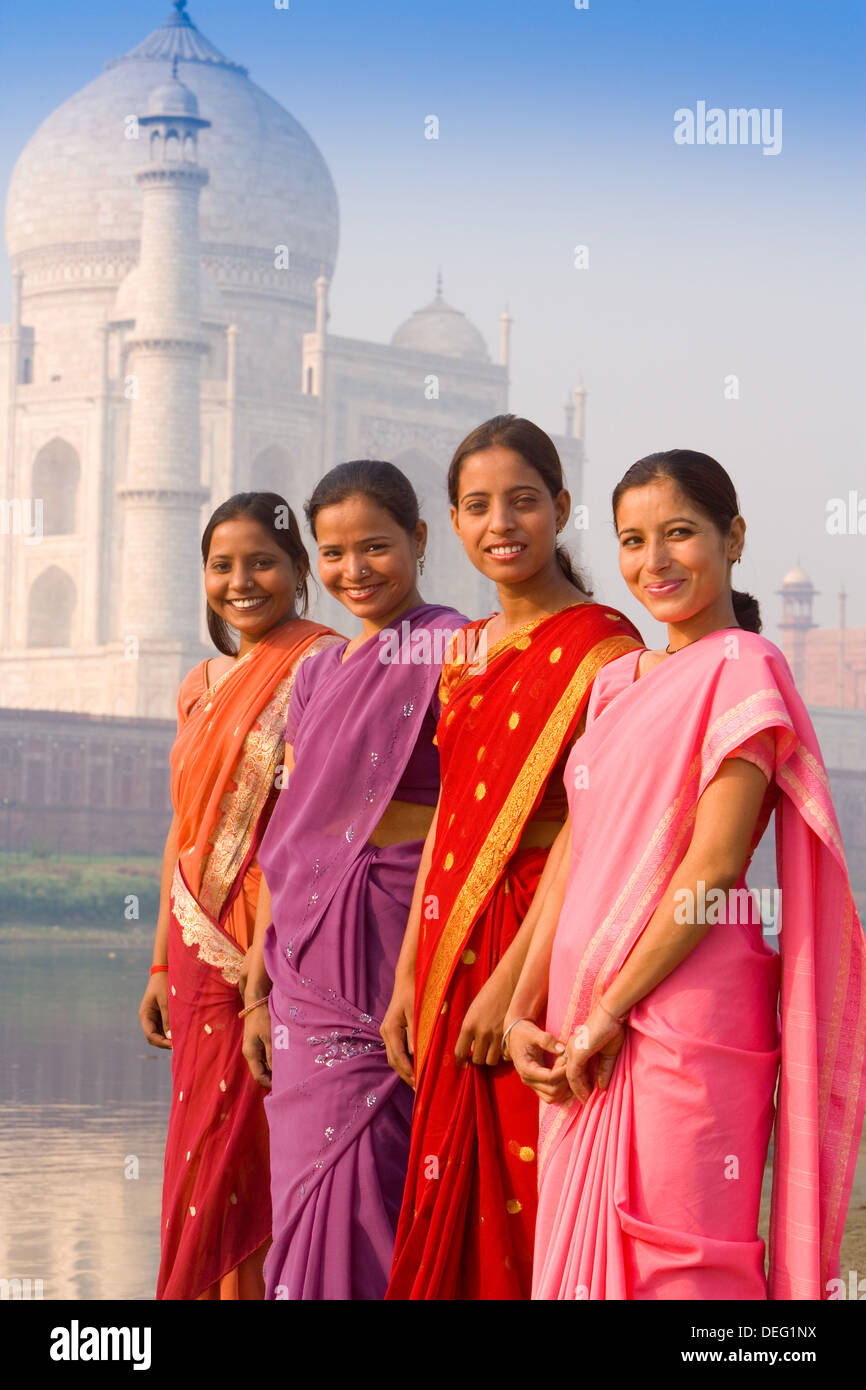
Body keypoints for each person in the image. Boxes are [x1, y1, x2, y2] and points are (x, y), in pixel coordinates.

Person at [505, 449, 866, 1300]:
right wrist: (527, 1009)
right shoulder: (614, 685)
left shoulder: (743, 669)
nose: (654, 562)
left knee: (684, 1261)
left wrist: (607, 1015)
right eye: (632, 541)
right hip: (577, 1018)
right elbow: (578, 858)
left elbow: (713, 868)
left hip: (683, 1017)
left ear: (732, 537)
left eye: (679, 534)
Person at [383, 416, 642, 1299]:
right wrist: (410, 974)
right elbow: (453, 815)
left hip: (541, 939)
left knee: (527, 1188)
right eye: (478, 505)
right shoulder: (462, 652)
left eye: (523, 501)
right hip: (449, 941)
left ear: (561, 509)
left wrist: (511, 988)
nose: (502, 523)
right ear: (452, 523)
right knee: (446, 1188)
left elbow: (591, 828)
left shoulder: (608, 650)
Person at [243, 460, 467, 1300]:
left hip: (394, 934)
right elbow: (290, 833)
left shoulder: (456, 647)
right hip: (302, 958)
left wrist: (417, 963)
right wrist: (256, 991)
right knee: (304, 1181)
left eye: (375, 547)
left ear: (418, 539)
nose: (354, 570)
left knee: (378, 1159)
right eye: (333, 554)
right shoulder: (317, 673)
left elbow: (467, 812)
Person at [138, 492, 342, 1301]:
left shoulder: (322, 666)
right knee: (199, 1148)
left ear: (299, 571)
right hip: (191, 952)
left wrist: (265, 965)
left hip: (274, 943)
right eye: (221, 565)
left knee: (250, 1150)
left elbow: (318, 827)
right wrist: (156, 963)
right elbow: (180, 831)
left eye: (262, 561)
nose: (241, 580)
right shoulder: (199, 686)